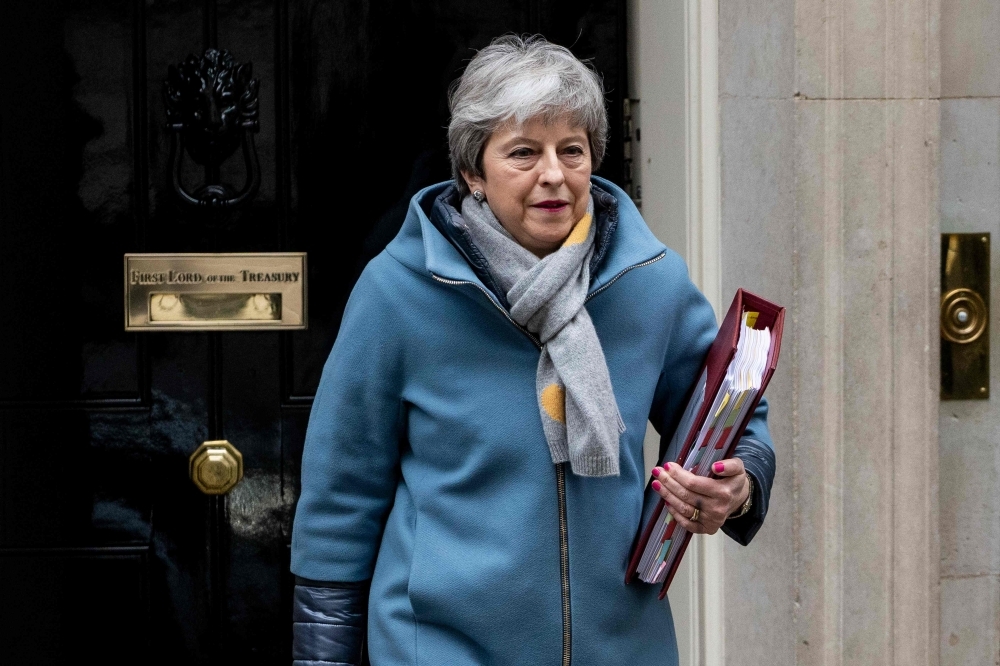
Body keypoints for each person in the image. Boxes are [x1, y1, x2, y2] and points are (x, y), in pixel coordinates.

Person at [290, 34, 775, 666]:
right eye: (523, 152)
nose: (554, 174)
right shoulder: (399, 292)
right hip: (439, 646)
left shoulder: (650, 281)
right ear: (473, 172)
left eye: (571, 150)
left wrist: (735, 487)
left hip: (623, 648)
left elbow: (732, 417)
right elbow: (341, 493)